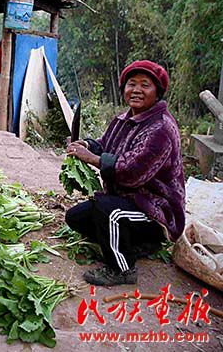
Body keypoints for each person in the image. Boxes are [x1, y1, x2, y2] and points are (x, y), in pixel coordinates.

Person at [65, 60, 185, 286]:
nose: (137, 90)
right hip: (128, 200)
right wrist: (88, 145)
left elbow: (131, 173)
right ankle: (138, 245)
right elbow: (105, 144)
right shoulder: (123, 119)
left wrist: (91, 158)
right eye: (132, 84)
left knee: (108, 211)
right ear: (124, 89)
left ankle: (122, 270)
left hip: (155, 209)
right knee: (75, 217)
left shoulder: (160, 128)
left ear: (157, 92)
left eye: (145, 85)